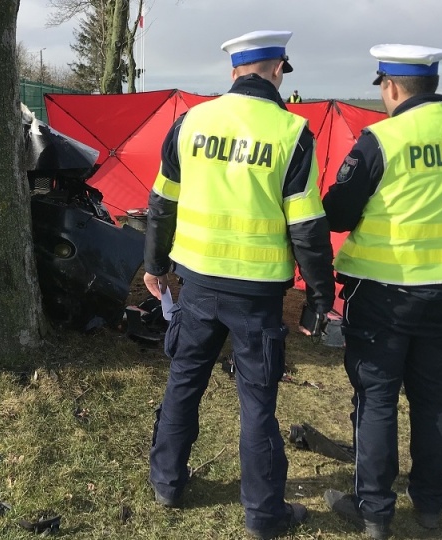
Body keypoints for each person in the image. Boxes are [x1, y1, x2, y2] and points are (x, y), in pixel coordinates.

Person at [143, 30, 336, 540]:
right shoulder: (292, 132)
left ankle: (166, 482)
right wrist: (321, 294)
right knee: (257, 403)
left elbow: (162, 201)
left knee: (184, 382)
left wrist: (153, 263)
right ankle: (263, 514)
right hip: (257, 294)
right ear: (276, 70)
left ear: (234, 71)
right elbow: (308, 229)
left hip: (196, 283)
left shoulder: (190, 122)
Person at [321, 44, 442, 540]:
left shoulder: (381, 140)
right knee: (433, 398)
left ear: (392, 86)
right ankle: (430, 505)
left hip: (383, 295)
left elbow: (337, 215)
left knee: (376, 399)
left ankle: (374, 511)